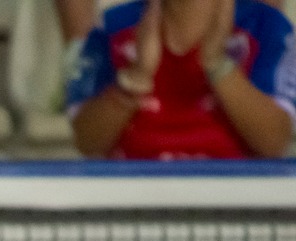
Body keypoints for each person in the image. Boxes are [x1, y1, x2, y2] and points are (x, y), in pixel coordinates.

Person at [68, 0, 296, 158]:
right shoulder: (112, 26)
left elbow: (274, 143)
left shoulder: (266, 27)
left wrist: (218, 66)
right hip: (135, 204)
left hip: (235, 205)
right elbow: (87, 142)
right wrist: (135, 78)